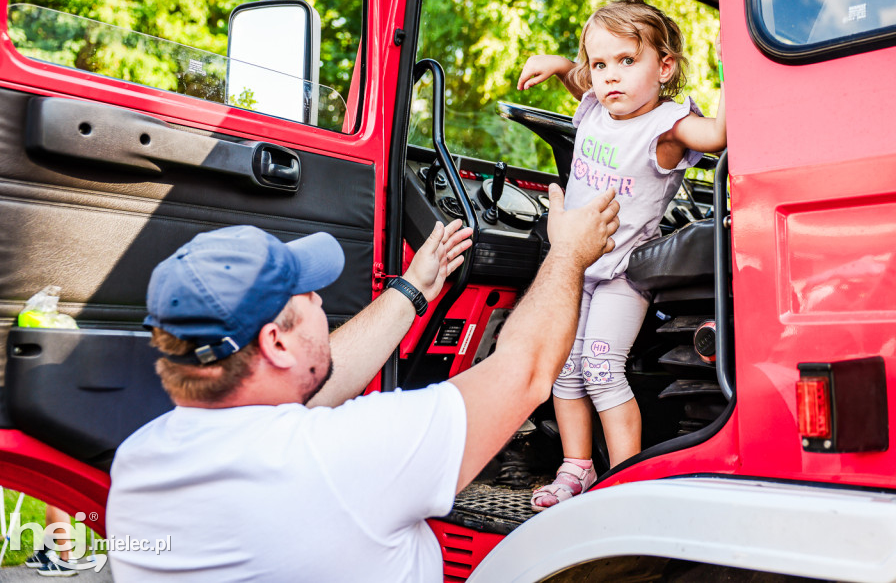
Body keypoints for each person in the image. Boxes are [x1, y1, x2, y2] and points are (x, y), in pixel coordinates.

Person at [106, 183, 619, 582]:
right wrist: (569, 253)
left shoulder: (136, 465)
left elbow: (312, 391)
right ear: (275, 344)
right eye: (306, 293)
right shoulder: (342, 458)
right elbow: (525, 372)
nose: (320, 303)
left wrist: (413, 289)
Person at [517, 0, 726, 510]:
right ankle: (577, 469)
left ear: (665, 66)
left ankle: (626, 479)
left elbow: (719, 135)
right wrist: (563, 66)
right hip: (573, 264)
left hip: (620, 275)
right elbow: (581, 84)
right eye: (600, 63)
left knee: (601, 368)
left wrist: (736, 64)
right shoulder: (595, 102)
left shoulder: (668, 128)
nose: (610, 76)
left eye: (627, 61)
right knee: (564, 368)